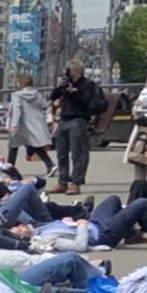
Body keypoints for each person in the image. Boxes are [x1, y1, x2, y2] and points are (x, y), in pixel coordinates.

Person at [49, 60, 104, 194]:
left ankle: (76, 182)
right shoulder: (67, 83)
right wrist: (60, 87)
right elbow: (53, 96)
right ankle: (62, 182)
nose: (69, 75)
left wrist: (73, 92)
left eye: (71, 72)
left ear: (78, 72)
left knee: (77, 153)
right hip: (64, 119)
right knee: (61, 153)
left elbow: (85, 102)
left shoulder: (87, 84)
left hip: (79, 119)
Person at [5, 73, 55, 173]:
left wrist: (13, 125)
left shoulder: (16, 95)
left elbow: (17, 109)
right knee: (34, 144)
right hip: (36, 123)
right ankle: (50, 165)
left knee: (13, 145)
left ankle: (10, 168)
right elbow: (45, 105)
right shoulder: (37, 94)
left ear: (19, 83)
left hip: (21, 124)